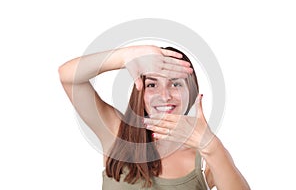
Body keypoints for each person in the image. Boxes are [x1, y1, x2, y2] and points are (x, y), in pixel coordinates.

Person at [59, 45, 250, 190]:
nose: (164, 95)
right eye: (152, 85)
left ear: (190, 92)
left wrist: (211, 147)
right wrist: (124, 56)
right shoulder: (117, 133)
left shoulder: (206, 158)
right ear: (139, 91)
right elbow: (68, 76)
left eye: (175, 84)